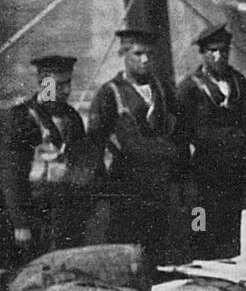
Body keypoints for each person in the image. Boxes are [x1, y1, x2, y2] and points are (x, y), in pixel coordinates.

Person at [84, 29, 188, 269]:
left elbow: (179, 132)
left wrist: (179, 173)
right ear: (124, 54)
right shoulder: (109, 93)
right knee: (129, 250)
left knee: (161, 247)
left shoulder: (162, 90)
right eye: (138, 53)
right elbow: (95, 143)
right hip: (127, 185)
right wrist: (101, 186)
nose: (145, 60)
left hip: (161, 183)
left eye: (150, 54)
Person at [176, 23, 246, 259]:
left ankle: (229, 258)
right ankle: (198, 255)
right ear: (203, 53)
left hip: (235, 166)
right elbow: (180, 133)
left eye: (223, 50)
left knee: (231, 219)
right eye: (212, 51)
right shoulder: (189, 87)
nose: (219, 56)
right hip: (204, 168)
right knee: (200, 217)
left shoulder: (239, 82)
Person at [0, 56, 89, 267]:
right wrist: (20, 224)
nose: (66, 90)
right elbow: (11, 177)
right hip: (34, 213)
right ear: (43, 83)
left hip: (65, 211)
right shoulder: (21, 118)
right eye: (58, 84)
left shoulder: (72, 117)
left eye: (68, 83)